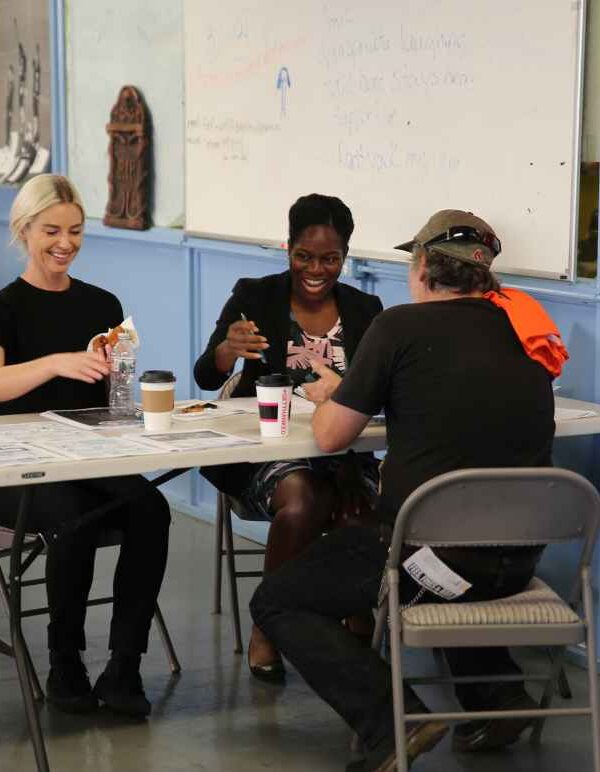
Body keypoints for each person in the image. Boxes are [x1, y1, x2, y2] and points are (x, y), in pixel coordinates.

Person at [250, 209, 562, 771]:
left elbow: (329, 438)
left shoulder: (398, 327)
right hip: (516, 562)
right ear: (484, 275)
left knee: (279, 599)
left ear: (421, 267)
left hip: (431, 564)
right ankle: (497, 699)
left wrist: (332, 395)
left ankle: (388, 723)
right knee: (453, 545)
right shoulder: (528, 331)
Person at [0, 174, 171, 718]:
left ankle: (124, 664)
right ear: (24, 230)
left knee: (151, 508)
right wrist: (56, 362)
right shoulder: (5, 306)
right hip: (19, 470)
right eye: (52, 230)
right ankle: (64, 657)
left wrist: (128, 389)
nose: (65, 243)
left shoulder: (102, 302)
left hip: (88, 453)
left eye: (75, 231)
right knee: (70, 516)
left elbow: (111, 394)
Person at [195, 193, 383, 680]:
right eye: (304, 256)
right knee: (301, 500)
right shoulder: (255, 296)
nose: (316, 269)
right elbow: (205, 378)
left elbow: (381, 392)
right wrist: (226, 350)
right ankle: (267, 625)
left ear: (345, 255)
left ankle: (356, 618)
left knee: (360, 508)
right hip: (269, 456)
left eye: (330, 258)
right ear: (288, 250)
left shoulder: (366, 309)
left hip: (343, 453)